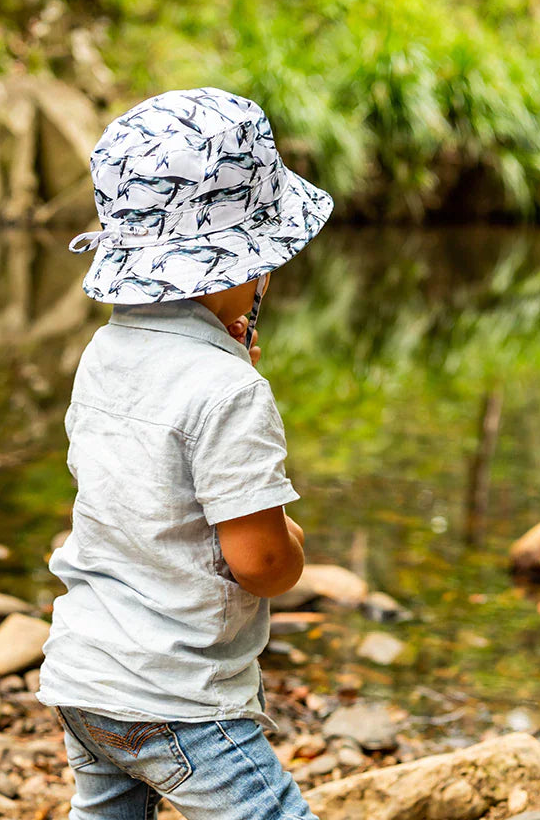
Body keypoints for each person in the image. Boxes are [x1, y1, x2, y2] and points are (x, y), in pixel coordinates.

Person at [37, 87, 333, 820]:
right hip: (176, 698)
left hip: (82, 677)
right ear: (243, 264)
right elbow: (261, 564)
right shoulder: (229, 392)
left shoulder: (103, 351)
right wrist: (293, 542)